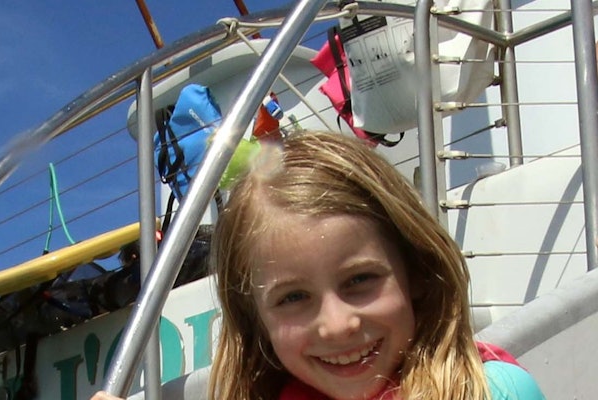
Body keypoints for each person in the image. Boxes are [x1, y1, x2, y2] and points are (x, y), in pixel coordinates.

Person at [92, 130, 545, 399]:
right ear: (256, 322)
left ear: (417, 274)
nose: (337, 325)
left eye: (360, 279)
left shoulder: (493, 392)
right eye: (293, 297)